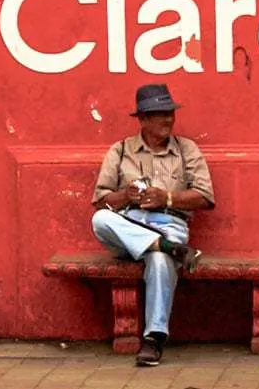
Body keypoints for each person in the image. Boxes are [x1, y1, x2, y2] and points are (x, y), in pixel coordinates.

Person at [90, 84, 215, 366]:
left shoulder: (186, 149)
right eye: (159, 114)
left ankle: (153, 338)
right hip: (128, 226)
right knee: (100, 220)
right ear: (143, 119)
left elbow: (205, 198)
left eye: (170, 112)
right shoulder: (121, 150)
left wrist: (167, 197)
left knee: (159, 261)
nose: (168, 119)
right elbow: (101, 202)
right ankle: (171, 248)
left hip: (169, 223)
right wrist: (125, 196)